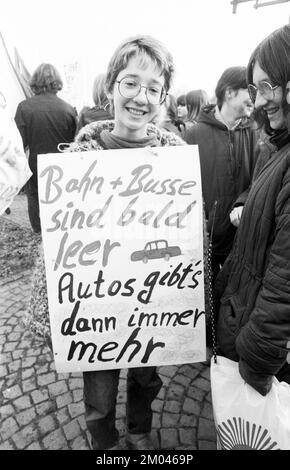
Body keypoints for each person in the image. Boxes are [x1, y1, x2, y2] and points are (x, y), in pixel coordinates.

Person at [26, 35, 202, 451]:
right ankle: (103, 443)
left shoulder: (176, 164)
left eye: (153, 88)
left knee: (145, 377)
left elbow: (189, 241)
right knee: (99, 395)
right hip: (96, 314)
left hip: (151, 309)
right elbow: (56, 249)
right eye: (130, 82)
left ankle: (140, 431)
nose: (141, 97)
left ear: (163, 98)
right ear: (110, 87)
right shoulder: (78, 161)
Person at [215, 24, 290, 396]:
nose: (259, 101)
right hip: (241, 312)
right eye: (254, 89)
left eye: (267, 86)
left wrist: (256, 362)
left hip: (257, 345)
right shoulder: (277, 145)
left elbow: (284, 282)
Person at [185, 66, 258, 281]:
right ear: (229, 93)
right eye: (250, 90)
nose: (255, 98)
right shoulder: (192, 136)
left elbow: (261, 177)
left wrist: (243, 202)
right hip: (205, 248)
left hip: (244, 242)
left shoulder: (256, 133)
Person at [14, 63, 77, 233]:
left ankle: (38, 232)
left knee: (34, 197)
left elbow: (19, 144)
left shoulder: (24, 107)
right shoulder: (69, 109)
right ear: (56, 82)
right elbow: (75, 143)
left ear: (35, 81)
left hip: (35, 163)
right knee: (62, 199)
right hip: (63, 166)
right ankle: (61, 230)